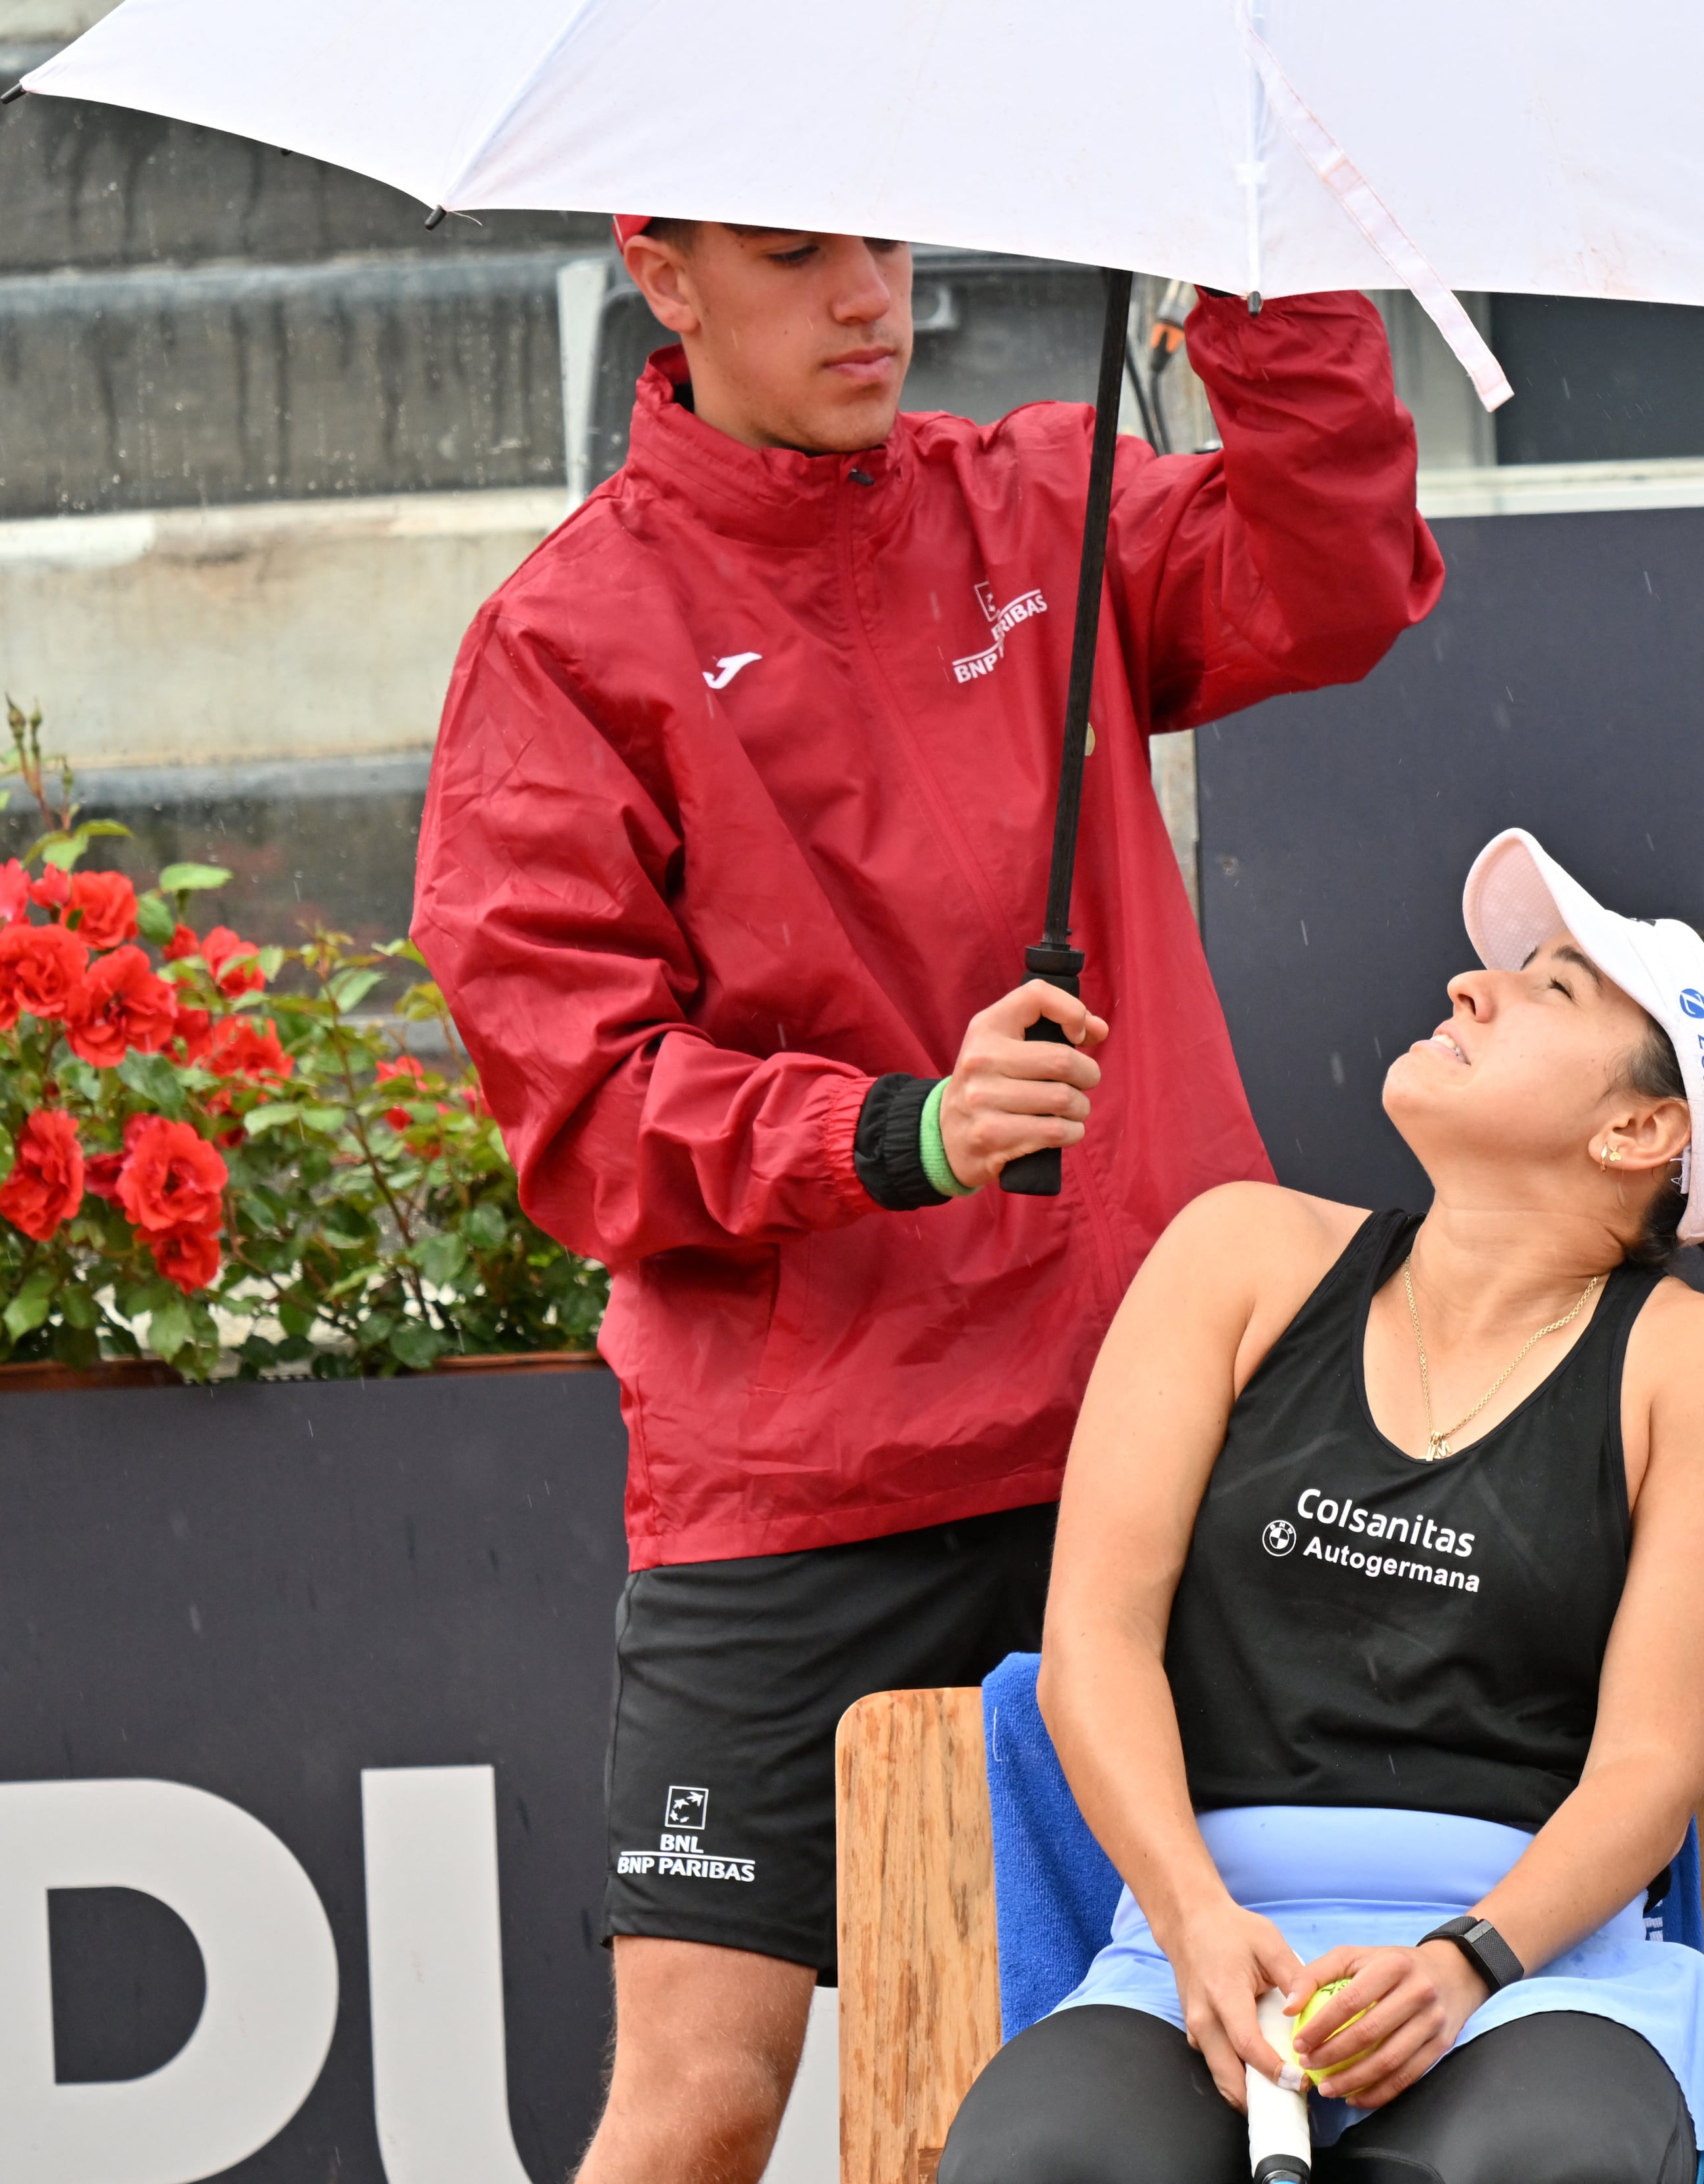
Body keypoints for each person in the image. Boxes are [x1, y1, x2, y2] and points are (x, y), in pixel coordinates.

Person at [412, 220, 1441, 2184]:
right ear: (664, 271)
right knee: (704, 2100)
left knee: (1260, 2051)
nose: (868, 300)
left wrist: (1253, 270)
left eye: (879, 247)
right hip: (802, 1481)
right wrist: (905, 1133)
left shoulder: (1041, 499)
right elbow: (584, 1113)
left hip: (1153, 1437)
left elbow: (1340, 579)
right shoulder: (564, 639)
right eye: (797, 258)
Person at [937, 828, 1704, 2184]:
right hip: (1194, 1957)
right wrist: (1194, 1919)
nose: (1467, 989)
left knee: (1531, 2169)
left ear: (1640, 1129)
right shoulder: (1235, 1252)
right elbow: (1095, 1643)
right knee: (1042, 2167)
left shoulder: (1695, 1365)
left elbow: (1648, 1773)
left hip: (1533, 1980)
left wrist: (1460, 1961)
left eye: (1551, 989)